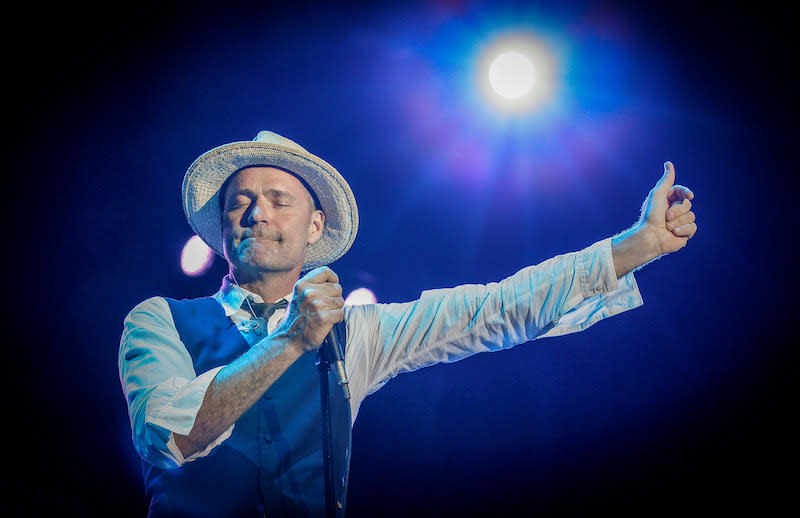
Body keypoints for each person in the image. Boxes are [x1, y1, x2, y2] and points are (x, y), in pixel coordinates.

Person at [119, 130, 697, 518]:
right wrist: (292, 339)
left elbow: (494, 307)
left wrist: (636, 247)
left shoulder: (359, 333)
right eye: (239, 201)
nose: (256, 211)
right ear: (223, 227)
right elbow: (166, 437)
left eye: (277, 198)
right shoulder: (158, 320)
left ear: (315, 227)